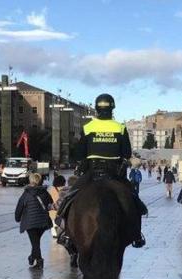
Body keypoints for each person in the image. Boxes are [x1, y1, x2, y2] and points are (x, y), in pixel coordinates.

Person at [57, 93, 147, 248]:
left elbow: (79, 153)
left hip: (92, 171)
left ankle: (65, 233)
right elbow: (126, 153)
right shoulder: (120, 127)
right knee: (133, 200)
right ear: (112, 108)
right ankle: (137, 235)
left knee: (69, 198)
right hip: (114, 173)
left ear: (97, 108)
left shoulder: (88, 127)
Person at [15, 173, 54, 269]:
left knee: (35, 242)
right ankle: (32, 257)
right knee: (36, 242)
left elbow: (20, 206)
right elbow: (50, 204)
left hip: (30, 222)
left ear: (30, 180)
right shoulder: (44, 192)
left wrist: (17, 218)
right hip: (42, 222)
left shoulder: (26, 193)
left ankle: (39, 261)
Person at [56, 175, 79, 267]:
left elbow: (58, 206)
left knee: (63, 239)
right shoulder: (81, 193)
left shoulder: (64, 192)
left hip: (65, 222)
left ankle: (72, 254)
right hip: (77, 221)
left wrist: (49, 206)